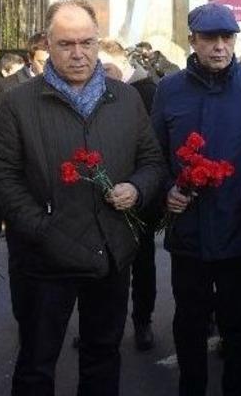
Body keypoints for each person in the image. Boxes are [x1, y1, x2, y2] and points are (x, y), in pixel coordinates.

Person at [0, 0, 166, 395]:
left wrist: (136, 188)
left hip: (110, 254)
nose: (79, 53)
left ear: (98, 42)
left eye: (87, 42)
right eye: (66, 44)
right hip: (44, 259)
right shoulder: (18, 103)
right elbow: (0, 176)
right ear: (48, 44)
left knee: (103, 356)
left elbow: (152, 161)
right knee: (36, 362)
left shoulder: (126, 98)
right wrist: (44, 228)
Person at [151, 2, 241, 396]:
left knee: (238, 322)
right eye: (210, 38)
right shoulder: (168, 90)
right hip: (188, 232)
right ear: (192, 40)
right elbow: (153, 153)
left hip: (236, 227)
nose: (220, 46)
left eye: (227, 37)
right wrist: (166, 190)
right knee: (189, 320)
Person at [98, 38, 160, 351]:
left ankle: (142, 320)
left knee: (142, 265)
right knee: (101, 269)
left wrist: (139, 187)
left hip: (139, 198)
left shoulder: (147, 93)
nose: (102, 75)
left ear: (123, 67)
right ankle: (99, 326)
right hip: (100, 200)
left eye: (107, 68)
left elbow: (153, 149)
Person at [0, 32, 49, 132]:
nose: (48, 68)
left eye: (51, 63)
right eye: (42, 63)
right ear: (30, 59)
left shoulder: (64, 87)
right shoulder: (7, 87)